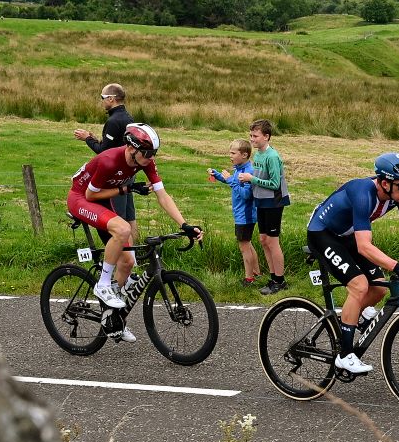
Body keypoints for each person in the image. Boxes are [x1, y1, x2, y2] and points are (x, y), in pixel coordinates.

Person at [306, 153, 399, 374]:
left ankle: (351, 319)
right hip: (322, 233)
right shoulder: (363, 193)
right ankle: (344, 355)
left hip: (347, 235)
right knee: (359, 286)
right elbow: (364, 246)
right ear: (385, 183)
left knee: (379, 287)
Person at [67, 122, 200, 309]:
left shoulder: (144, 160)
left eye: (153, 153)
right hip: (82, 198)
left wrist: (184, 224)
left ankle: (112, 319)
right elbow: (90, 195)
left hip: (101, 198)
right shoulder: (109, 160)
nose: (150, 158)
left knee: (128, 262)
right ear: (131, 148)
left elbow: (162, 195)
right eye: (146, 153)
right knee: (123, 229)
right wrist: (127, 188)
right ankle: (103, 285)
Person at [74, 83, 136, 229]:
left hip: (116, 176)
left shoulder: (113, 121)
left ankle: (122, 251)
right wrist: (96, 139)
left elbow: (104, 153)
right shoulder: (128, 118)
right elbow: (115, 146)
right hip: (128, 174)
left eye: (102, 97)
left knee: (118, 219)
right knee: (130, 217)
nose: (102, 101)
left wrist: (87, 138)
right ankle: (135, 251)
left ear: (111, 99)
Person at [239, 118, 290, 293]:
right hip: (261, 200)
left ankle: (280, 280)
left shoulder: (272, 156)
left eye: (255, 136)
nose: (252, 139)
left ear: (266, 136)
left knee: (272, 242)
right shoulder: (258, 154)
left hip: (274, 202)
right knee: (263, 240)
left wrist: (251, 179)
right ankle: (272, 278)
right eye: (250, 135)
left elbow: (275, 184)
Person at [209, 136, 260, 285]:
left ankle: (249, 278)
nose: (230, 156)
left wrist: (231, 179)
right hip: (243, 215)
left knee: (244, 247)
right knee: (248, 244)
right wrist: (218, 175)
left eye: (233, 153)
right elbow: (234, 182)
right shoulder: (240, 169)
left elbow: (245, 195)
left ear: (244, 155)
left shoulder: (248, 172)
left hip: (245, 216)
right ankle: (256, 273)